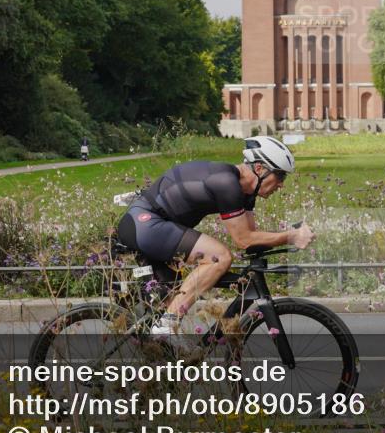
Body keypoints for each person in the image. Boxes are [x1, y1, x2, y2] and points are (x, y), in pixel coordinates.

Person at [116, 136, 314, 339]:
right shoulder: (226, 182)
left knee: (171, 304)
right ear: (260, 169)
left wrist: (289, 236)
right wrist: (291, 236)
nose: (281, 185)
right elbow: (244, 240)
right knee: (219, 257)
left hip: (154, 226)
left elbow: (253, 238)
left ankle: (166, 355)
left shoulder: (246, 193)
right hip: (145, 223)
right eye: (280, 176)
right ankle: (166, 326)